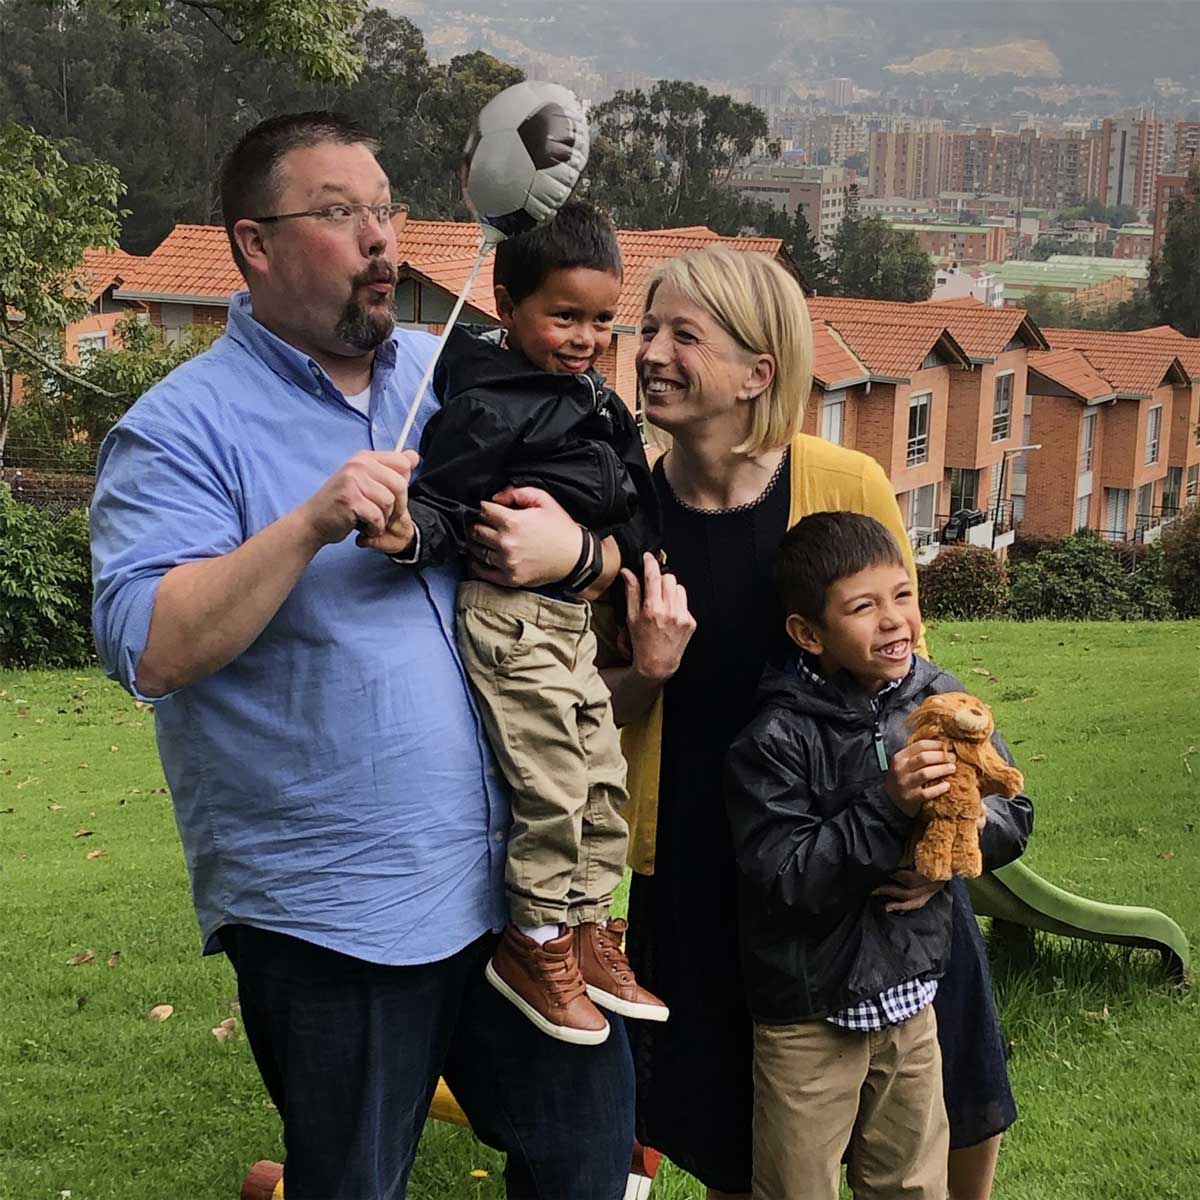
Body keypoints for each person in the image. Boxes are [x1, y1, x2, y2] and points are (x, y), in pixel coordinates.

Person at [89, 110, 635, 1200]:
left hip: (518, 895)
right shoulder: (179, 428)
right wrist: (304, 523)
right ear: (255, 244)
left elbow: (597, 505)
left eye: (386, 208)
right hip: (337, 919)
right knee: (353, 1183)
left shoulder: (448, 373)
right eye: (341, 214)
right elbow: (148, 645)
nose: (382, 237)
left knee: (587, 1160)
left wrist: (580, 551)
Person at [597, 244, 1027, 1200]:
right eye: (648, 329)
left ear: (759, 371)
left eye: (683, 336)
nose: (651, 352)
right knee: (739, 1131)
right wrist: (647, 672)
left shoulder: (847, 483)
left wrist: (927, 847)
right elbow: (593, 711)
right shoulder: (626, 516)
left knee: (946, 1081)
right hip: (710, 863)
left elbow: (907, 680)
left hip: (878, 857)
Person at [395, 200, 668, 1043]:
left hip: (568, 620)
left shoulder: (595, 400)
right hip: (510, 618)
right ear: (506, 308)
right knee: (550, 784)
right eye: (563, 317)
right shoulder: (486, 407)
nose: (585, 338)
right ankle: (535, 940)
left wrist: (596, 553)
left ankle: (586, 930)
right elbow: (439, 508)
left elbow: (638, 511)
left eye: (600, 321)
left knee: (600, 774)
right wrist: (407, 534)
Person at [723, 511, 1033, 1200]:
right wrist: (888, 806)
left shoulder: (943, 700)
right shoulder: (774, 738)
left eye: (902, 595)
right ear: (809, 634)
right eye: (863, 607)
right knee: (794, 1187)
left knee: (911, 1186)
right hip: (809, 1017)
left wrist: (946, 855)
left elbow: (1014, 814)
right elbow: (785, 878)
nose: (894, 620)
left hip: (911, 1004)